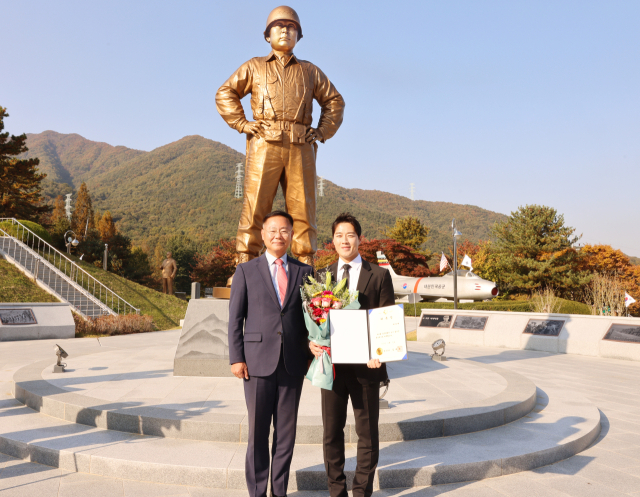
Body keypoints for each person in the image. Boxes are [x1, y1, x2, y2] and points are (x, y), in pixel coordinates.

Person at [216, 5, 345, 266]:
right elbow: (225, 93)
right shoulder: (254, 66)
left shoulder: (310, 71)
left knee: (303, 208)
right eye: (279, 26)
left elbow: (334, 101)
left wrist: (321, 131)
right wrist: (242, 123)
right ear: (267, 35)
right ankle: (244, 264)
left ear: (298, 35)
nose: (285, 31)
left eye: (291, 27)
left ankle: (306, 266)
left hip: (301, 144)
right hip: (264, 142)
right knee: (255, 206)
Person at [228, 210, 314, 497]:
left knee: (286, 436)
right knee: (257, 433)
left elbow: (311, 319)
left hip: (292, 363)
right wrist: (236, 357)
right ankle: (256, 491)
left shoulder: (305, 273)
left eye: (285, 230)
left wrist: (313, 349)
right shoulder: (246, 271)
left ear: (292, 235)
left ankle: (279, 492)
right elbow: (235, 318)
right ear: (263, 234)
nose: (279, 235)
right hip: (256, 362)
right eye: (273, 230)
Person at [310, 213, 395, 497]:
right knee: (331, 434)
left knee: (367, 435)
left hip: (366, 369)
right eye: (339, 235)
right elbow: (314, 321)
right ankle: (337, 491)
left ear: (359, 238)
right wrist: (312, 342)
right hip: (331, 369)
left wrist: (378, 352)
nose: (344, 240)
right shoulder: (321, 276)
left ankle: (361, 492)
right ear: (332, 240)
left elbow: (385, 320)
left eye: (350, 235)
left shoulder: (379, 275)